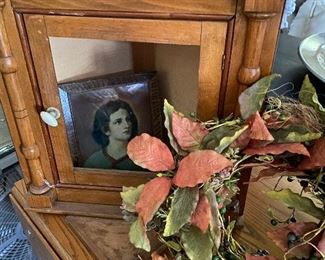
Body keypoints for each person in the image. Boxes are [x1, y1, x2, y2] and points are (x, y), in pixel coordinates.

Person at [84, 100, 142, 170]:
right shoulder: (93, 162)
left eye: (128, 119)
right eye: (118, 122)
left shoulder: (143, 158)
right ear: (106, 130)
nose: (127, 125)